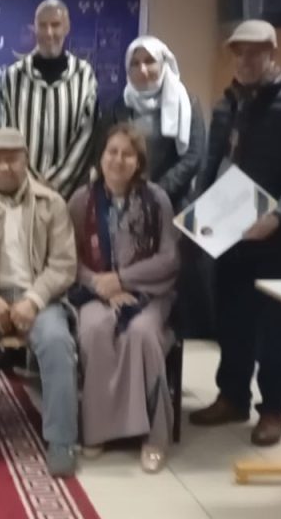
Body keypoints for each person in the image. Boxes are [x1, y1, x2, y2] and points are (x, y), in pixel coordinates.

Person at [189, 20, 281, 446]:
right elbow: (212, 164)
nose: (246, 60)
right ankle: (232, 397)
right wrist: (200, 213)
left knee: (276, 328)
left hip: (279, 238)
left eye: (255, 52)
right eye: (239, 52)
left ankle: (272, 411)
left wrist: (278, 216)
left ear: (272, 52)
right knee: (232, 320)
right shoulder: (227, 103)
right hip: (232, 235)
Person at [0, 127, 78, 476]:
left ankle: (62, 439)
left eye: (13, 159)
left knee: (57, 341)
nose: (5, 167)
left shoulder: (51, 203)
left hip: (39, 298)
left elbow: (64, 264)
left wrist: (34, 300)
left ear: (26, 160)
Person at [68, 124, 179, 473]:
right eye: (111, 152)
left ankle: (155, 437)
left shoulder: (157, 200)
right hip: (95, 293)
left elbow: (170, 258)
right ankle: (99, 430)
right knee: (94, 331)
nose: (118, 160)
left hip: (148, 292)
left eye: (127, 154)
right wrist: (99, 283)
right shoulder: (81, 200)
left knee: (141, 335)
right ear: (100, 157)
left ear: (139, 162)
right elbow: (69, 258)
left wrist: (123, 279)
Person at [0, 0, 98, 198]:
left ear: (67, 27)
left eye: (55, 25)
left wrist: (55, 181)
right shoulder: (13, 76)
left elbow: (87, 135)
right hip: (21, 189)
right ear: (34, 28)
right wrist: (29, 180)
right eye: (42, 25)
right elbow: (6, 131)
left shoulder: (84, 75)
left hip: (70, 193)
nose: (49, 32)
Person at [98, 36, 205, 209]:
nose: (142, 69)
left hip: (172, 203)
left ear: (163, 64)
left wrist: (156, 193)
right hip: (124, 202)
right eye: (135, 63)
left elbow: (193, 157)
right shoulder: (117, 107)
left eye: (149, 61)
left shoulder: (186, 104)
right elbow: (103, 152)